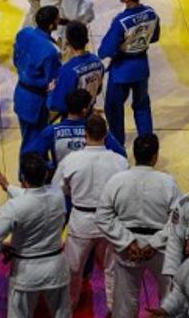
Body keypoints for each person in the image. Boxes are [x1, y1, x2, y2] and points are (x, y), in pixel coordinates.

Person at [97, 134, 180, 318]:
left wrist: (127, 242)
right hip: (161, 251)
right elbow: (178, 220)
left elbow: (103, 217)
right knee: (170, 301)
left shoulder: (117, 181)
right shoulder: (168, 183)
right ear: (155, 156)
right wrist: (155, 243)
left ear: (134, 155)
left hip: (128, 251)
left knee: (125, 306)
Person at [0, 153, 70, 318]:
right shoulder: (58, 196)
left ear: (22, 176)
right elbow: (35, 197)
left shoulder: (13, 208)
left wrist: (0, 248)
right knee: (62, 314)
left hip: (26, 273)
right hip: (56, 268)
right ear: (45, 174)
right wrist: (8, 187)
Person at [59, 112, 130, 305]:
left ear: (85, 134)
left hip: (81, 220)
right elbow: (125, 192)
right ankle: (113, 308)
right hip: (109, 222)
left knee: (72, 269)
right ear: (106, 135)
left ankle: (68, 306)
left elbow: (61, 189)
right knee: (112, 269)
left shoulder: (72, 160)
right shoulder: (120, 162)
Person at [97, 0, 161, 144]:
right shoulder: (152, 14)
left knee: (114, 108)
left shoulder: (121, 21)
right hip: (141, 66)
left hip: (122, 69)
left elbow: (106, 50)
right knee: (142, 106)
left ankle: (118, 143)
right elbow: (154, 37)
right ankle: (146, 143)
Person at [12, 7, 62, 150]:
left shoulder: (24, 33)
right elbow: (52, 81)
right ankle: (28, 172)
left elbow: (15, 58)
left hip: (20, 92)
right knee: (33, 144)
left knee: (27, 136)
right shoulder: (51, 51)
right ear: (52, 25)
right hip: (36, 102)